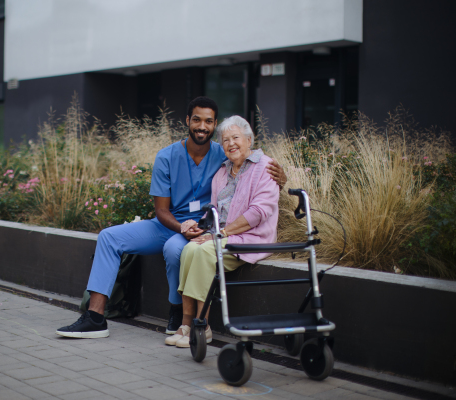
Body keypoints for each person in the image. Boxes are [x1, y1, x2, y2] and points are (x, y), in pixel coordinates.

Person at [56, 97, 286, 339]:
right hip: (169, 224)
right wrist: (180, 227)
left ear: (214, 124)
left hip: (203, 228)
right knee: (108, 237)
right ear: (188, 121)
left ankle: (178, 313)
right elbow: (161, 210)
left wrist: (282, 177)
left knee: (175, 250)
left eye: (209, 122)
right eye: (196, 120)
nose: (202, 126)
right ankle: (95, 317)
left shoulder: (223, 154)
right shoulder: (167, 157)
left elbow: (254, 166)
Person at [165, 115, 280, 348]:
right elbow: (214, 211)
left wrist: (222, 233)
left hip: (251, 238)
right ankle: (187, 323)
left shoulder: (264, 167)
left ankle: (202, 325)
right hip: (224, 234)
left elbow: (258, 212)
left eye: (236, 138)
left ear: (249, 140)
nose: (230, 144)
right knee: (190, 249)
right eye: (225, 140)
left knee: (206, 251)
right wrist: (201, 227)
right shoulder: (222, 172)